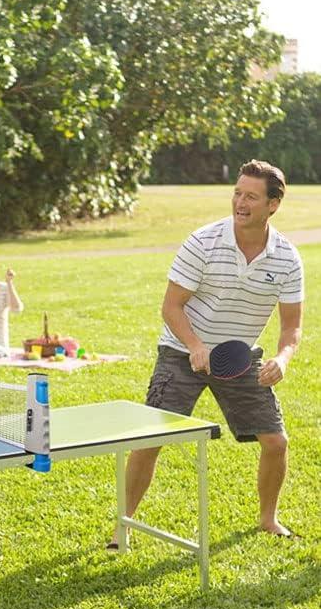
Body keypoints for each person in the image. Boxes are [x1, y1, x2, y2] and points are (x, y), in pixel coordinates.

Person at [119, 161, 303, 544]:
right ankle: (125, 524)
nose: (240, 201)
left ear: (273, 204)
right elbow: (171, 306)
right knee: (149, 438)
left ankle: (268, 519)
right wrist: (195, 345)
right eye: (237, 192)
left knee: (276, 442)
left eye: (251, 196)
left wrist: (282, 359)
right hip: (181, 353)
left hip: (238, 360)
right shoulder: (203, 241)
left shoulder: (287, 258)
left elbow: (291, 328)